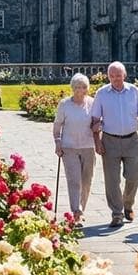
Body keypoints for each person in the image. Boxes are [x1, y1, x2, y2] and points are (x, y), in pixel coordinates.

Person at [90, 61, 138, 228]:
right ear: (108, 76)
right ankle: (116, 213)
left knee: (134, 176)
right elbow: (95, 120)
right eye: (112, 76)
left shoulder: (133, 91)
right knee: (112, 180)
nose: (115, 79)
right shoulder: (102, 93)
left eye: (118, 75)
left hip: (131, 139)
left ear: (124, 75)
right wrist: (97, 141)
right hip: (110, 140)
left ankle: (128, 204)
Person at [53, 73, 96, 223]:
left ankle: (82, 208)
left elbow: (99, 121)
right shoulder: (64, 104)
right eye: (77, 87)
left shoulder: (92, 103)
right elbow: (57, 124)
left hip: (88, 146)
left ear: (87, 89)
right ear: (72, 88)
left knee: (86, 180)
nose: (80, 90)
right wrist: (58, 142)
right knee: (74, 180)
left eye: (83, 87)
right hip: (69, 147)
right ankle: (76, 211)